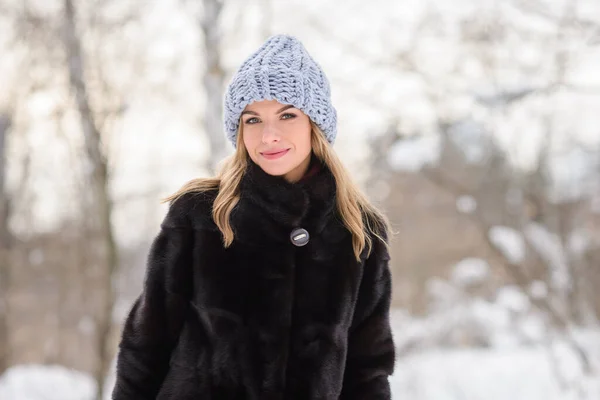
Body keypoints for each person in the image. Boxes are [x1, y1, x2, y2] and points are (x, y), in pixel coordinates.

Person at [112, 34, 395, 400]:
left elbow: (368, 368)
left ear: (316, 124)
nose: (269, 135)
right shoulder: (199, 214)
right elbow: (146, 343)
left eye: (287, 115)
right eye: (253, 119)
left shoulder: (361, 230)